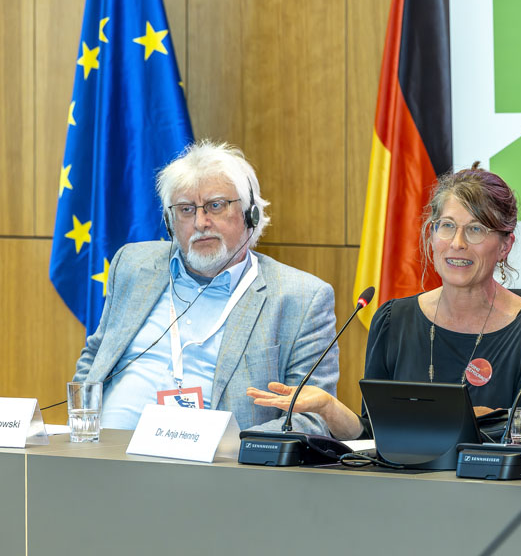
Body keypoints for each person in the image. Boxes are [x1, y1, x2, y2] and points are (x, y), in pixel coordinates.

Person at [248, 164, 521, 440]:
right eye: (447, 226)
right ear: (431, 236)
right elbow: (375, 437)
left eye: (476, 229)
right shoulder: (394, 321)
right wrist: (328, 408)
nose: (457, 243)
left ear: (504, 246)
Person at [72, 141, 339, 433]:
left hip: (213, 468)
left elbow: (313, 419)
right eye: (186, 210)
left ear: (251, 215)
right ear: (170, 222)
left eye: (216, 205)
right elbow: (96, 356)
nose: (201, 222)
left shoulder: (301, 298)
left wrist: (234, 449)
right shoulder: (132, 265)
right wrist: (82, 429)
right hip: (106, 457)